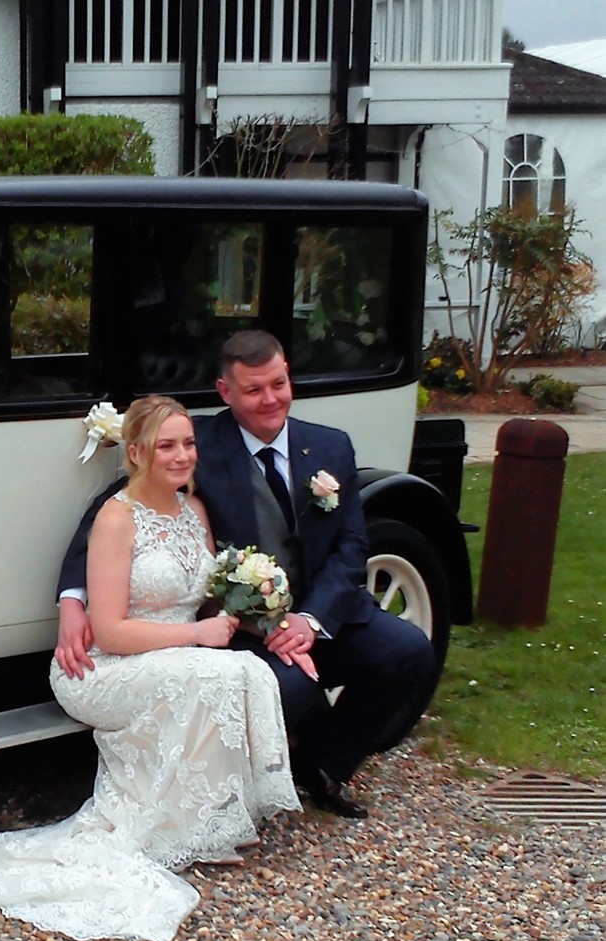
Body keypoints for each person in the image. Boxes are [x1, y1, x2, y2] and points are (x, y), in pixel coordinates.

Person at [0, 396, 299, 941]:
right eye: (166, 446)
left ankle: (208, 820)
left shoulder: (196, 512)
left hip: (175, 653)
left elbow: (202, 600)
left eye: (188, 443)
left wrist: (252, 608)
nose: (182, 456)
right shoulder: (116, 518)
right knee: (214, 672)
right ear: (136, 453)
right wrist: (197, 636)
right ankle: (173, 827)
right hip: (104, 667)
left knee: (244, 669)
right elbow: (109, 631)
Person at [56, 330, 437, 819]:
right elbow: (111, 512)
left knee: (409, 651)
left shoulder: (331, 445)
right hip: (247, 627)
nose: (270, 399)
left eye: (278, 384)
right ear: (225, 391)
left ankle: (325, 764)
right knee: (291, 689)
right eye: (253, 390)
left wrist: (310, 620)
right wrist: (72, 600)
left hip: (322, 615)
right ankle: (258, 773)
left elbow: (351, 547)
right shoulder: (196, 445)